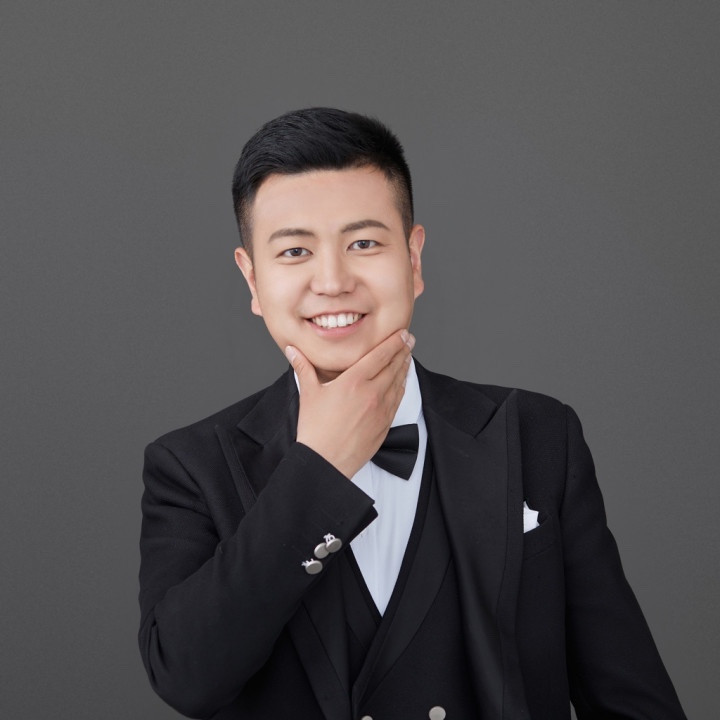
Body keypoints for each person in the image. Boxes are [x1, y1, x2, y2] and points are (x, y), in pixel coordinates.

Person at [138, 107, 687, 720]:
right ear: (252, 281)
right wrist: (318, 471)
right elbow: (186, 678)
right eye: (294, 251)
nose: (332, 281)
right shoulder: (189, 466)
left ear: (414, 258)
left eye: (363, 243)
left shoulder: (539, 435)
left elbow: (632, 700)